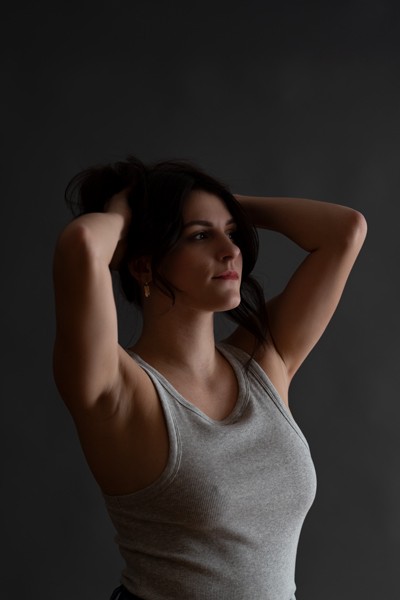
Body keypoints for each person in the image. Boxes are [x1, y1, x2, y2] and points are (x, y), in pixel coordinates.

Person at [52, 155, 367, 600]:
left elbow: (346, 230)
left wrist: (220, 206)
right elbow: (82, 242)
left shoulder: (264, 361)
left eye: (232, 233)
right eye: (200, 236)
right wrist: (127, 215)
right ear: (143, 266)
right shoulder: (118, 390)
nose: (230, 250)